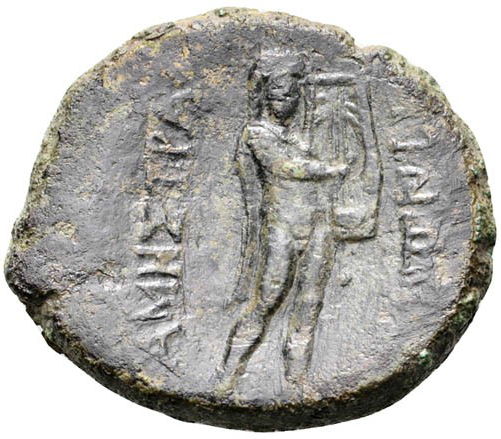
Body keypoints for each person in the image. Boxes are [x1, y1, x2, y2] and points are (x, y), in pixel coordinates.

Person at [218, 50, 348, 390]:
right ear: (265, 97)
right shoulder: (256, 133)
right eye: (277, 95)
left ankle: (297, 379)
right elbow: (283, 167)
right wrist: (327, 169)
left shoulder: (305, 133)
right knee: (267, 300)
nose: (284, 102)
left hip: (318, 224)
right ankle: (228, 375)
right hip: (283, 227)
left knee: (310, 302)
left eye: (291, 95)